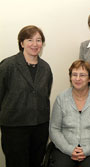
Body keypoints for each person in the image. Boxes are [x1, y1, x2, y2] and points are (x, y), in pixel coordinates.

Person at [0, 25, 53, 167]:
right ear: (22, 43)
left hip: (39, 127)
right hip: (14, 128)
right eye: (30, 40)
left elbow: (44, 95)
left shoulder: (46, 68)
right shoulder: (8, 65)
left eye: (39, 40)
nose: (35, 44)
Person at [49, 60, 90, 167]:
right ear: (70, 77)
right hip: (65, 148)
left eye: (82, 75)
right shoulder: (61, 98)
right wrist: (69, 150)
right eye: (74, 75)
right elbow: (54, 128)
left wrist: (87, 150)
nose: (77, 78)